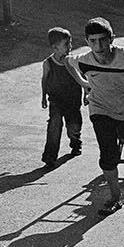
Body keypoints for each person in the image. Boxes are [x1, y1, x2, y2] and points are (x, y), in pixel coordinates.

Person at [68, 17, 124, 216]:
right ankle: (115, 196)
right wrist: (84, 84)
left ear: (112, 38)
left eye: (103, 40)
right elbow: (66, 62)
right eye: (93, 41)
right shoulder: (84, 59)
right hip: (100, 109)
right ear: (87, 41)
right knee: (108, 153)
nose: (99, 46)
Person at [38, 26, 83, 165]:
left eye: (70, 43)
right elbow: (44, 79)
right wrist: (43, 96)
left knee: (73, 126)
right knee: (54, 125)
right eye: (66, 44)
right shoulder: (48, 63)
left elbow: (82, 78)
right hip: (56, 100)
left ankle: (76, 143)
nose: (70, 46)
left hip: (73, 100)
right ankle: (50, 157)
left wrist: (87, 93)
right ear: (55, 47)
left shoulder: (72, 61)